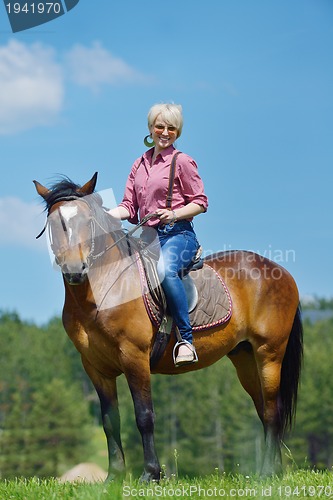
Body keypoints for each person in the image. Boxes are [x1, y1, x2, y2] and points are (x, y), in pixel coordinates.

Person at [108, 103, 208, 366]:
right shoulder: (139, 164)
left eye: (171, 128)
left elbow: (200, 202)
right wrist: (104, 214)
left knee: (164, 270)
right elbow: (128, 206)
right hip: (146, 238)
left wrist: (173, 214)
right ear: (151, 129)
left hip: (179, 234)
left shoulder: (183, 162)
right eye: (160, 126)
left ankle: (186, 340)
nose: (165, 132)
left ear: (178, 132)